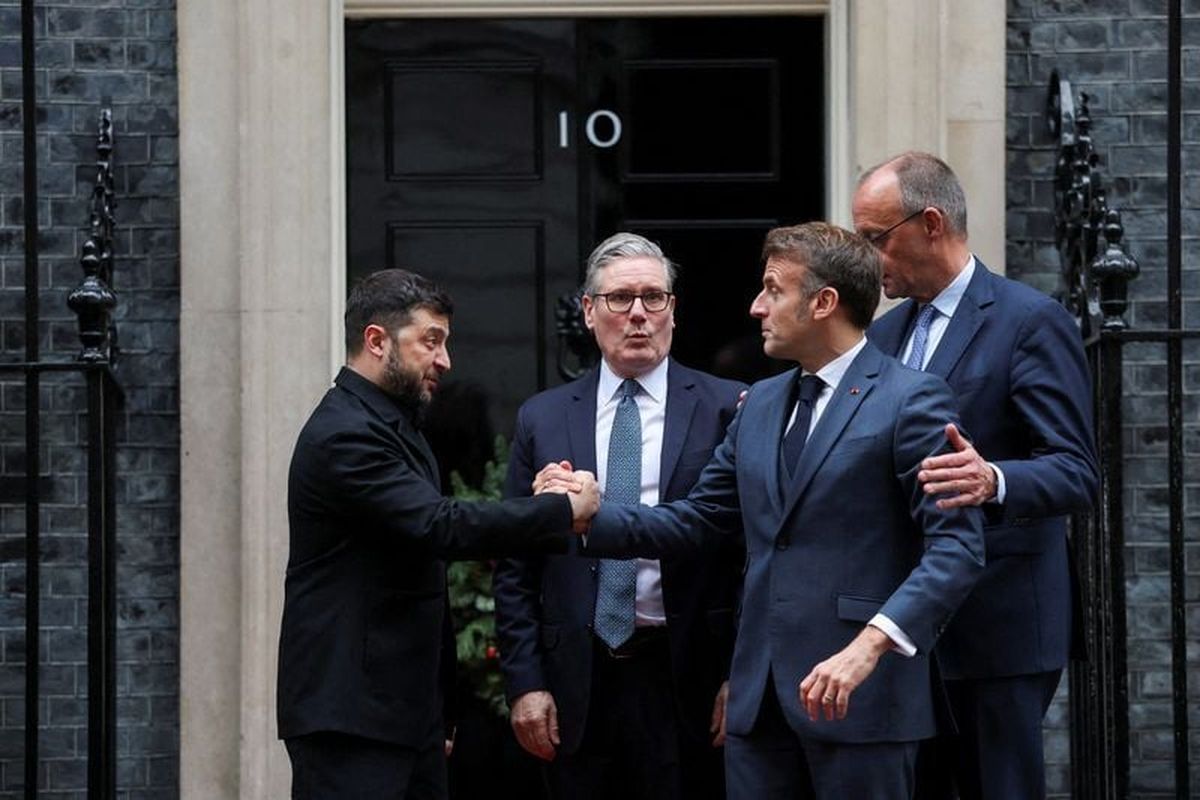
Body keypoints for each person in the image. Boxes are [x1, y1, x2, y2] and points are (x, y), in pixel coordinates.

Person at [547, 222, 986, 800]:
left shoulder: (912, 399)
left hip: (862, 696)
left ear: (823, 302)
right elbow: (699, 519)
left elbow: (957, 548)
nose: (756, 307)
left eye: (773, 290)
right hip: (761, 705)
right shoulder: (759, 402)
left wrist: (870, 645)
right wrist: (587, 515)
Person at [276, 269, 598, 800]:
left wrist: (438, 712)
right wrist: (558, 511)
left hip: (402, 716)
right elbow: (439, 525)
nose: (445, 360)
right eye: (431, 341)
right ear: (377, 341)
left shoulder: (392, 426)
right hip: (352, 720)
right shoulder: (345, 434)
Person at [853, 151, 1099, 800]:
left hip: (1001, 626)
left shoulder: (1028, 321)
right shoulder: (882, 338)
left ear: (931, 223)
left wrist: (993, 478)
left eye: (875, 238)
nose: (865, 258)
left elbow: (1077, 471)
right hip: (908, 626)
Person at [493, 233, 746, 800]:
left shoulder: (727, 407)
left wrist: (740, 675)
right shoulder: (545, 417)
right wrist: (525, 683)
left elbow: (749, 553)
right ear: (588, 311)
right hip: (576, 680)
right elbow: (516, 564)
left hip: (688, 676)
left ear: (674, 311)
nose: (638, 314)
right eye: (620, 298)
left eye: (654, 298)